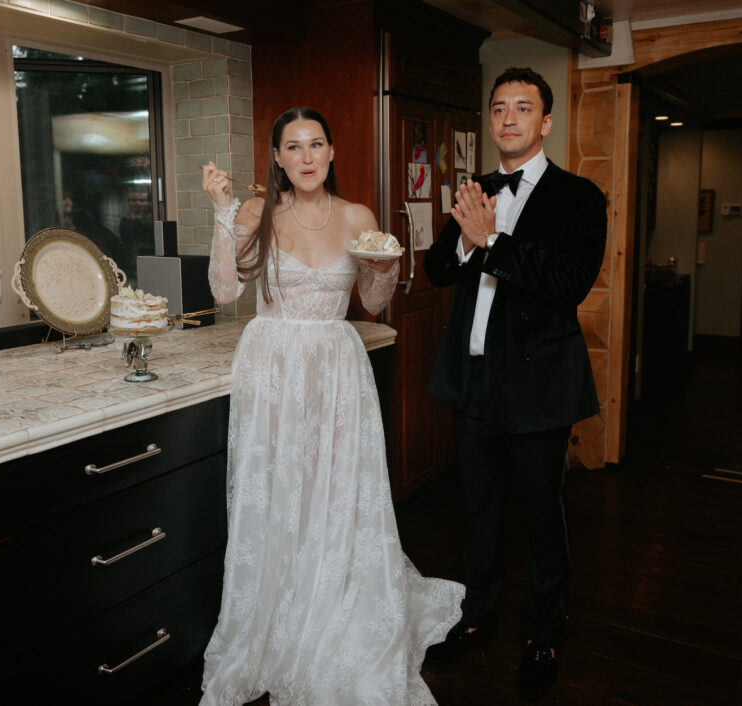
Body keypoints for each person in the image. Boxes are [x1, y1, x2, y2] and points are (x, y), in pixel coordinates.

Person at [199, 106, 464, 705]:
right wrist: (219, 214)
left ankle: (337, 603)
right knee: (279, 491)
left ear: (332, 152)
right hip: (271, 367)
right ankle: (274, 613)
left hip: (338, 367)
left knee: (336, 488)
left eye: (316, 143)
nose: (307, 156)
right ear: (277, 159)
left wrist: (382, 269)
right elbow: (222, 292)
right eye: (293, 147)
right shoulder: (253, 212)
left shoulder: (358, 217)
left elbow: (372, 302)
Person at [422, 67, 607, 701]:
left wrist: (493, 241)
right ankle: (478, 615)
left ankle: (544, 631)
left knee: (541, 512)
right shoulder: (476, 188)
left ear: (544, 121)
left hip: (538, 385)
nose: (507, 118)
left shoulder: (579, 197)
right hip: (472, 380)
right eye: (499, 107)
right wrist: (470, 238)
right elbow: (438, 268)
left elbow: (567, 284)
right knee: (477, 506)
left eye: (522, 108)